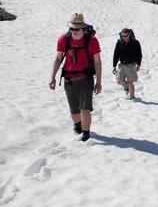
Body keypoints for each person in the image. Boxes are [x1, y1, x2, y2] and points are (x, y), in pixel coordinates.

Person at [49, 13, 102, 142]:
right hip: (69, 79)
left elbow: (97, 62)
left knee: (85, 109)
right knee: (74, 111)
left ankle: (86, 134)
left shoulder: (92, 41)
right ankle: (78, 126)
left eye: (77, 29)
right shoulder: (64, 39)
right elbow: (58, 59)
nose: (74, 32)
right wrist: (52, 77)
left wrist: (99, 82)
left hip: (86, 78)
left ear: (83, 27)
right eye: (72, 29)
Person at [112, 28, 142, 100]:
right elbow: (116, 54)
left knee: (130, 82)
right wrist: (114, 66)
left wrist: (138, 65)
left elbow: (139, 54)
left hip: (131, 65)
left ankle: (132, 97)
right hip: (122, 64)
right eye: (123, 36)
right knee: (119, 81)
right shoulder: (119, 42)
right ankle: (126, 87)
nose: (124, 37)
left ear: (129, 35)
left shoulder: (135, 43)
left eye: (126, 36)